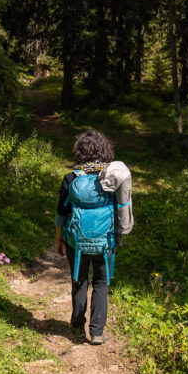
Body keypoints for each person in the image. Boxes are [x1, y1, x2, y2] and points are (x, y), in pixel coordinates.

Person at [54, 129, 133, 345]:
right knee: (101, 282)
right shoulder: (111, 178)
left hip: (75, 242)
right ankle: (97, 332)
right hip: (105, 241)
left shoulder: (70, 178)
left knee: (79, 281)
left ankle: (77, 326)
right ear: (105, 151)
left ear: (78, 152)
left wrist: (59, 239)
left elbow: (61, 213)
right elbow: (120, 207)